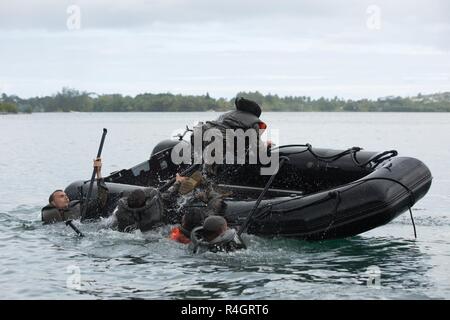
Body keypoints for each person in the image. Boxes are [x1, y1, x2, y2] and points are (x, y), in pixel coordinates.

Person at [41, 158, 109, 224]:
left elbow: (100, 202)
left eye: (66, 195)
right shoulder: (48, 217)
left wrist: (98, 173)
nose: (66, 197)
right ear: (53, 203)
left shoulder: (79, 208)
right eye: (61, 196)